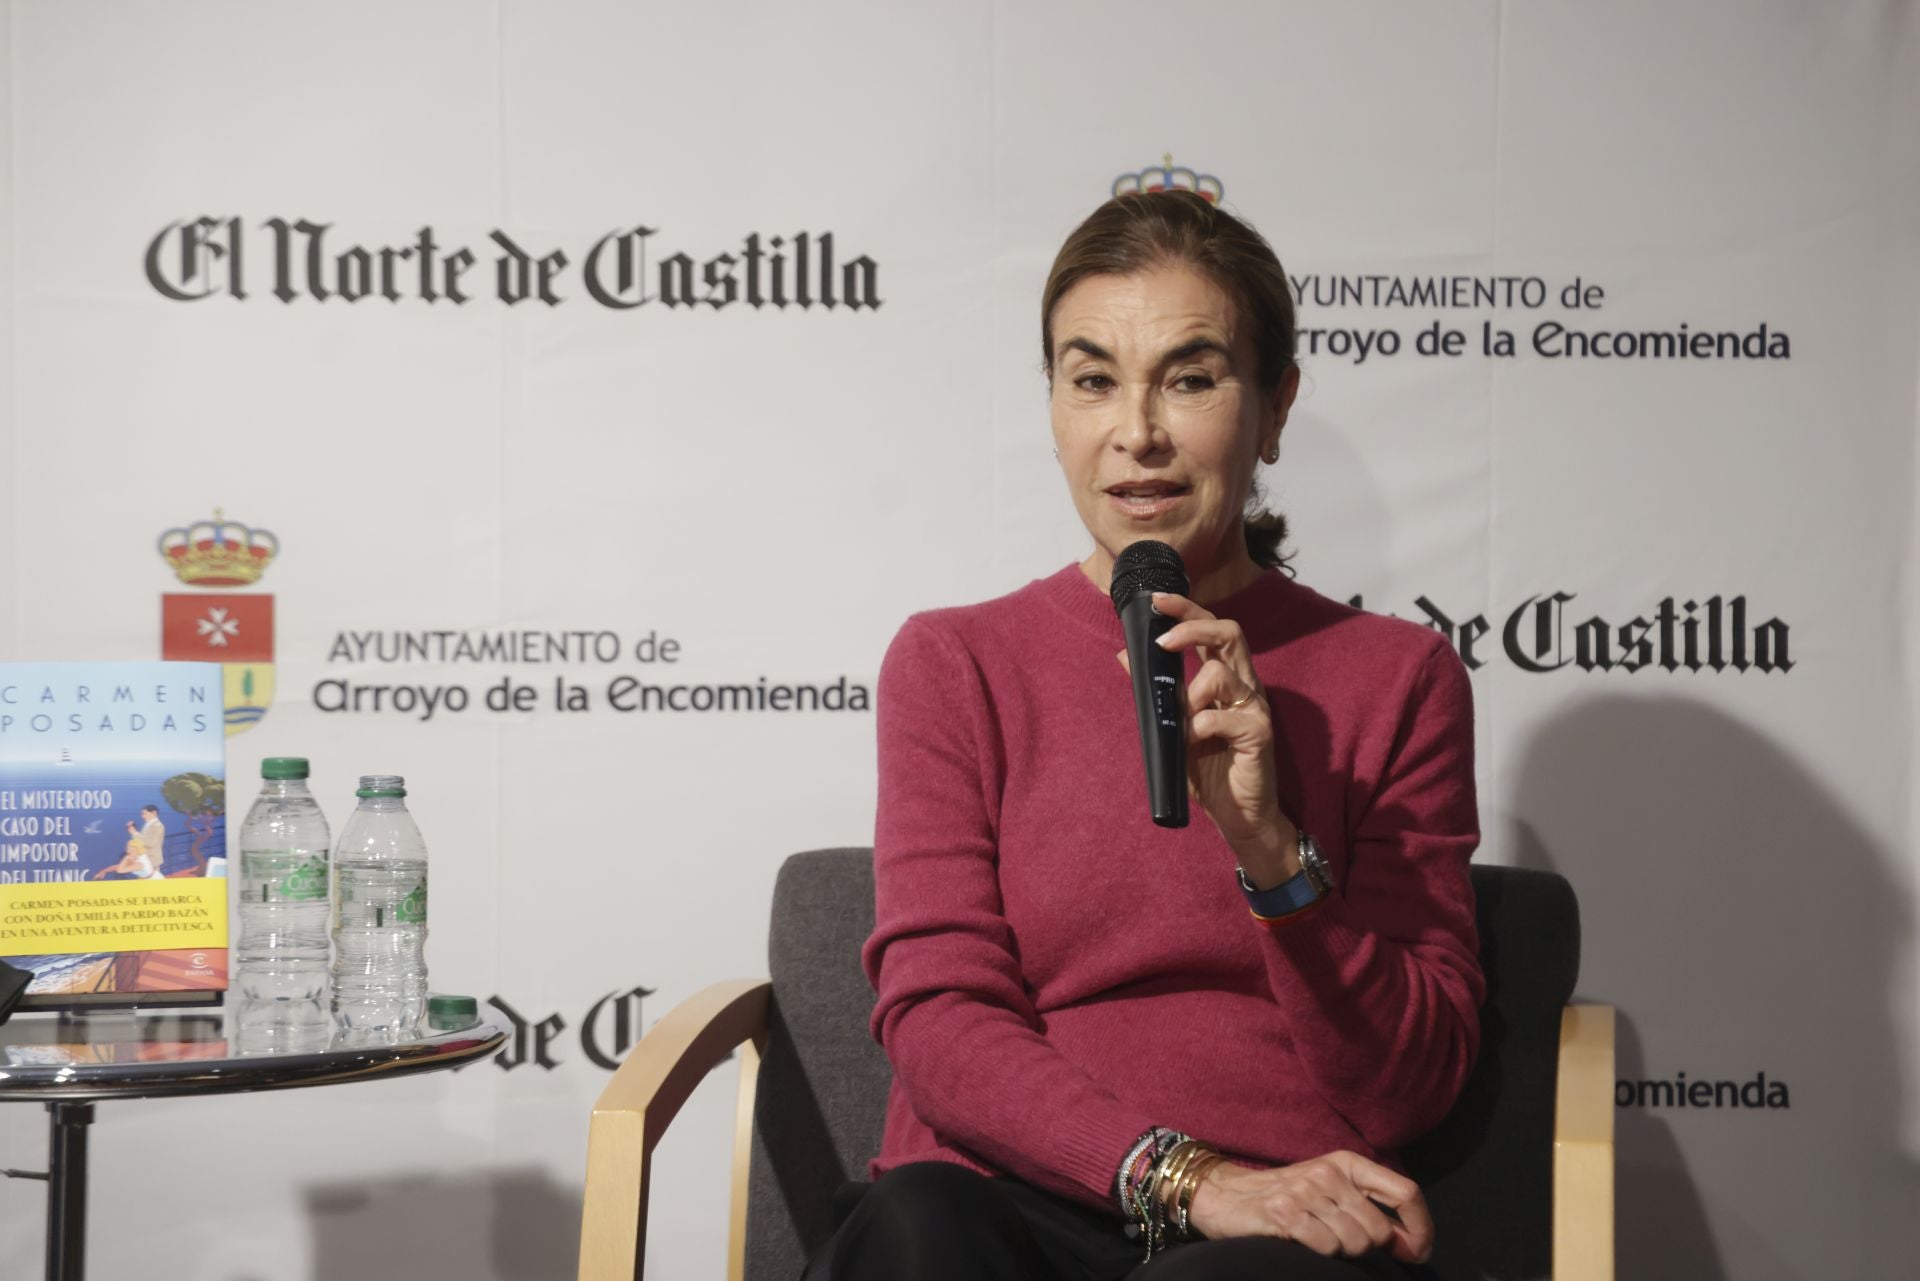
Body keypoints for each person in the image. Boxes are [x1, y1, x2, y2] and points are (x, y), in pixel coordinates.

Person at [826, 192, 1482, 1281]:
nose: (1137, 432)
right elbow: (941, 1020)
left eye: (1190, 377)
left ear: (1273, 410)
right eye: (1093, 381)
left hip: (1279, 1227)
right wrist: (1184, 1179)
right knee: (917, 1238)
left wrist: (1272, 856)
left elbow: (1413, 1081)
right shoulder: (956, 663)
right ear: (1053, 412)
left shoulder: (1397, 679)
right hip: (1006, 1206)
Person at [96, 805, 167, 880]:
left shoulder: (158, 826)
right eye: (142, 814)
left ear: (154, 813)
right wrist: (104, 871)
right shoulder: (147, 825)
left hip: (153, 861)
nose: (142, 816)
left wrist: (134, 832)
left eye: (144, 813)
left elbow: (149, 843)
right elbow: (119, 867)